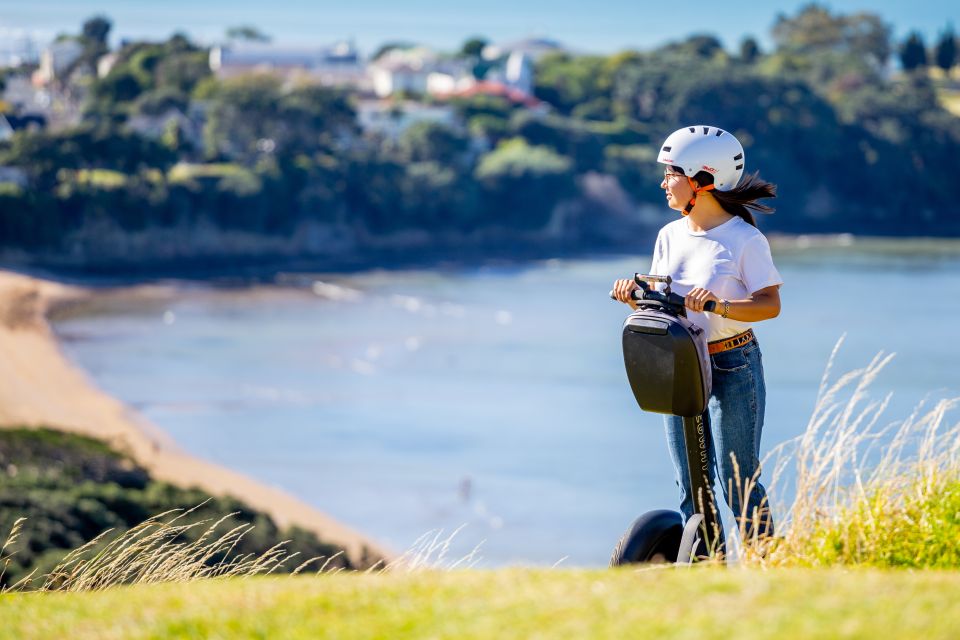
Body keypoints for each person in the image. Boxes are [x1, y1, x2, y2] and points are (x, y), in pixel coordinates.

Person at [612, 125, 782, 551]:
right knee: (691, 485)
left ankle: (773, 572)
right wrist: (636, 300)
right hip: (679, 362)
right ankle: (708, 572)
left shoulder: (744, 240)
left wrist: (719, 307)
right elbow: (665, 304)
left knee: (736, 483)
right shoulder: (669, 236)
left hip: (733, 364)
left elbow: (770, 305)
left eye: (671, 173)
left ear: (702, 180)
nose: (663, 182)